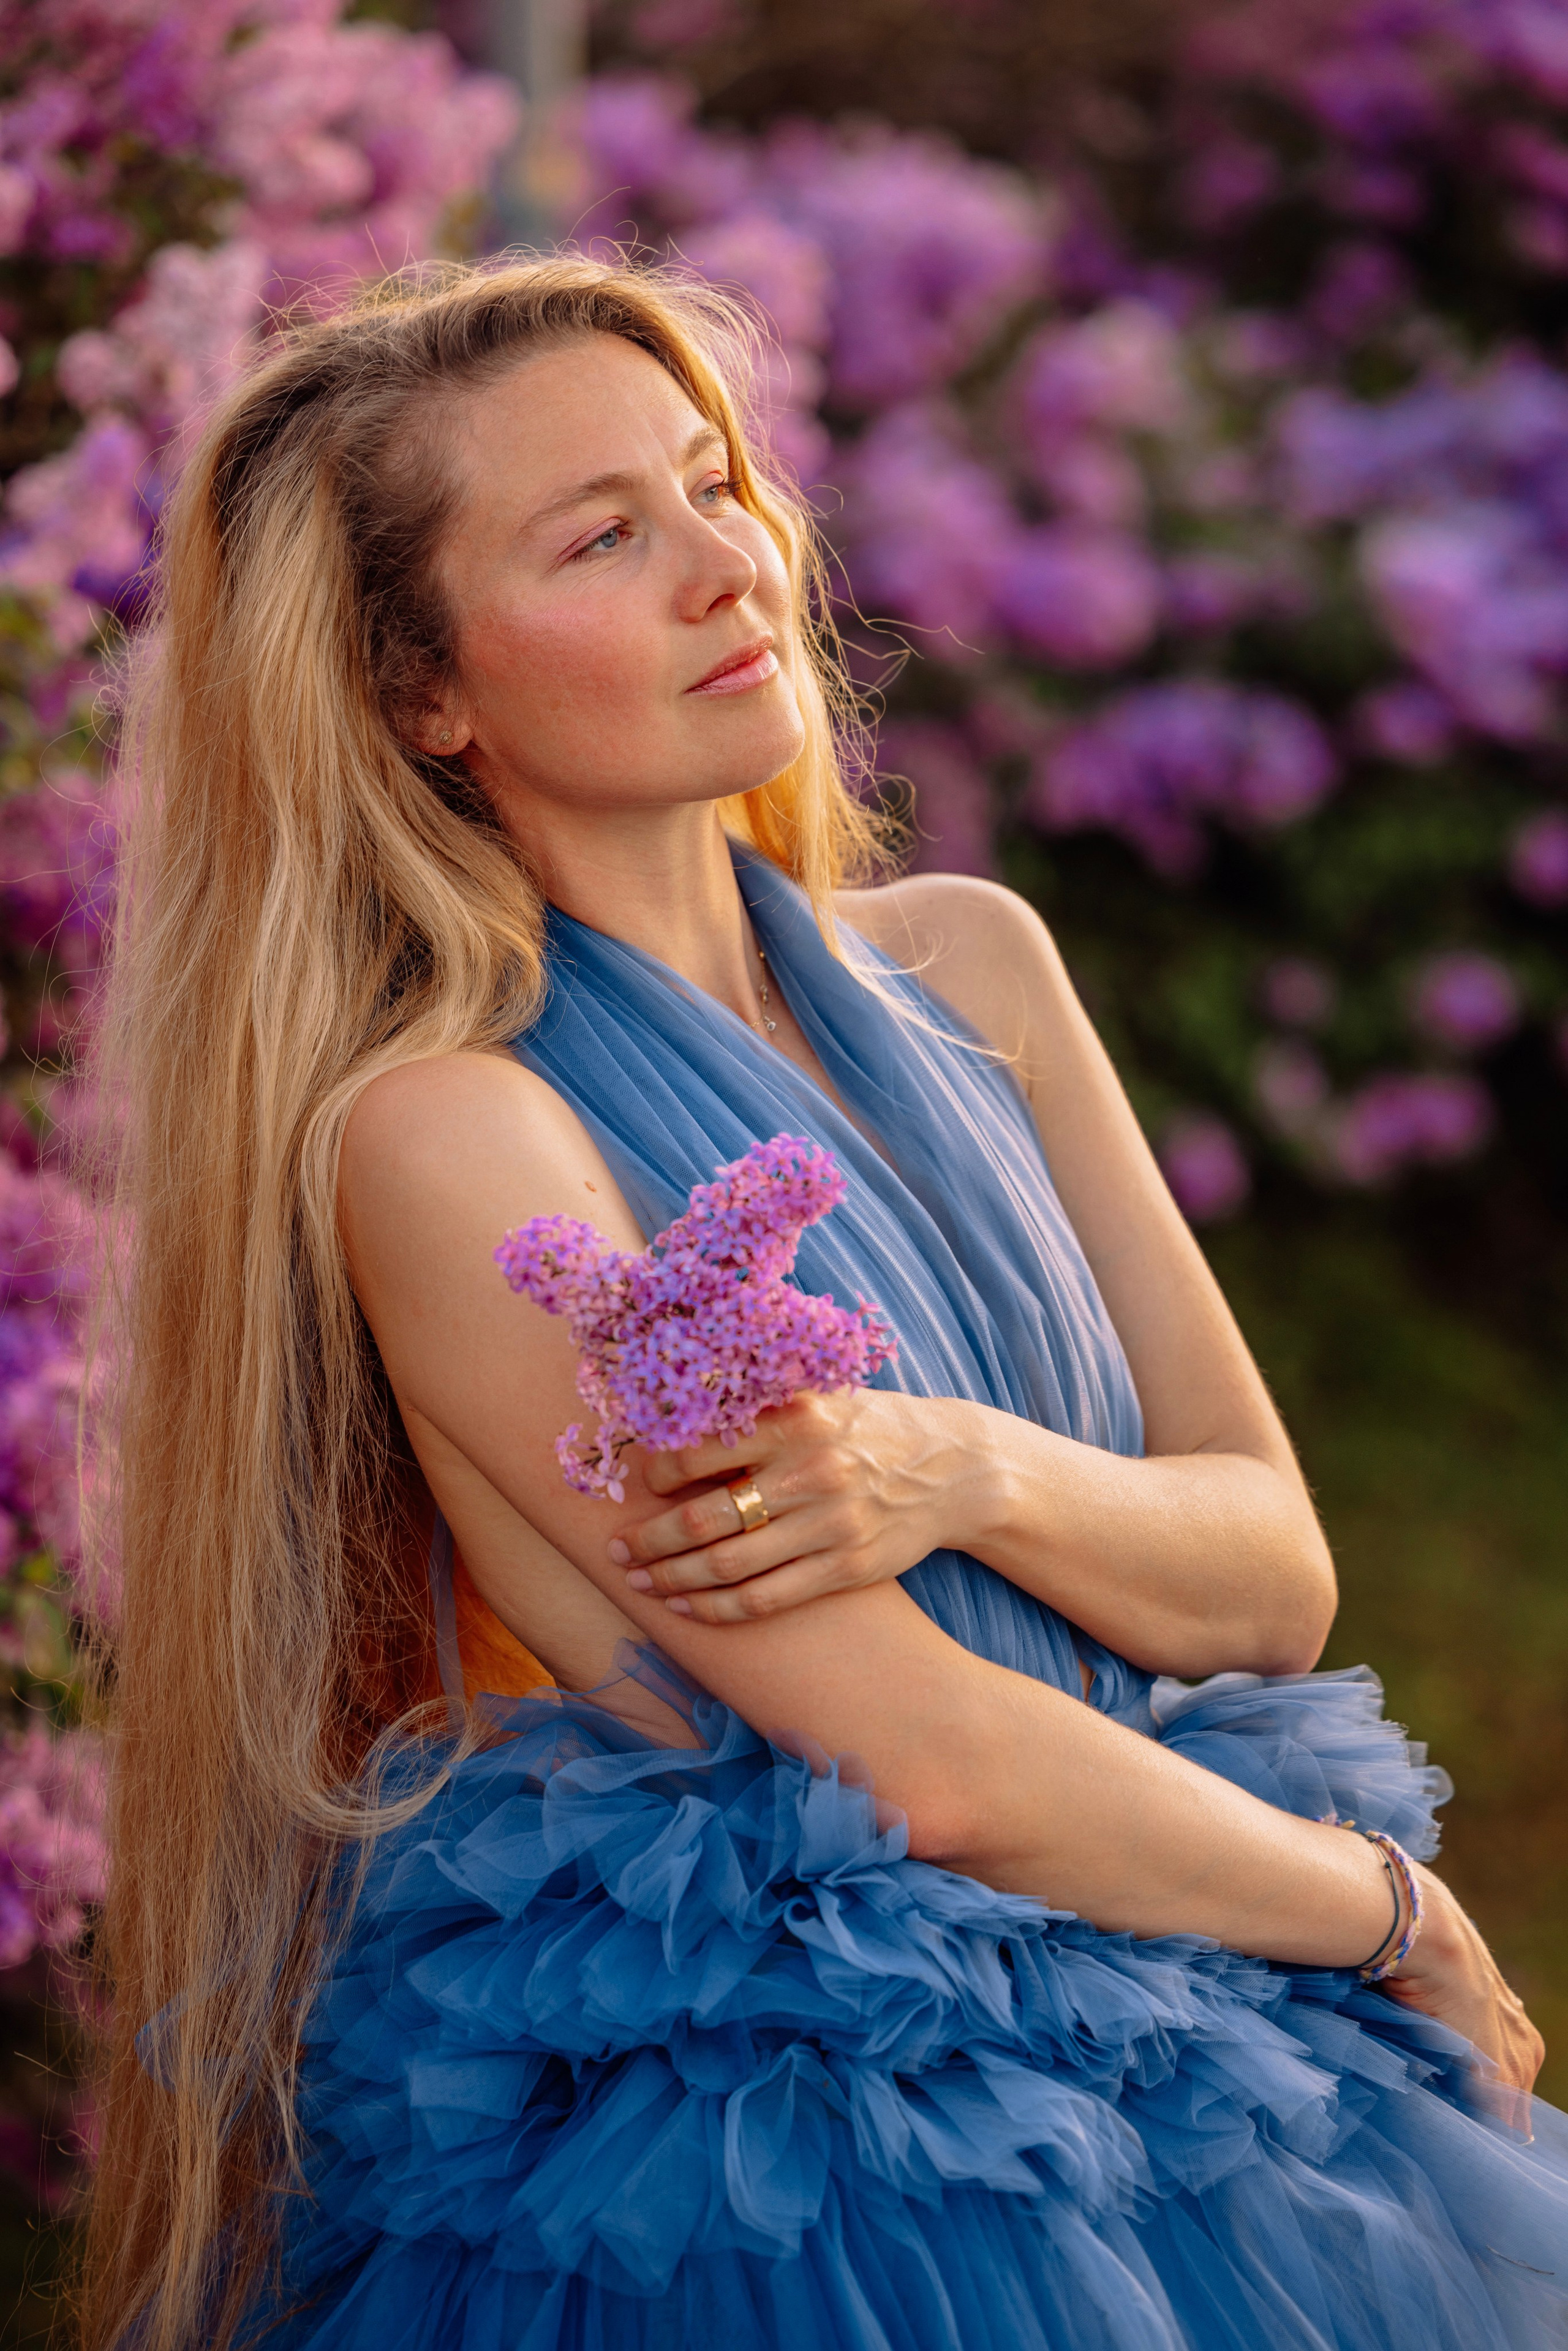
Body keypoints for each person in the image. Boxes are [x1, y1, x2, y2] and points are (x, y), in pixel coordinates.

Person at [78, 255, 1567, 2351]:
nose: (730, 565)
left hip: (1198, 2000)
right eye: (604, 536)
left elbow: (1269, 1578)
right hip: (853, 2131)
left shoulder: (976, 969)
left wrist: (949, 1468)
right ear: (428, 697)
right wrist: (1384, 1910)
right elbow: (925, 1757)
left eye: (716, 484)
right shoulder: (459, 1140)